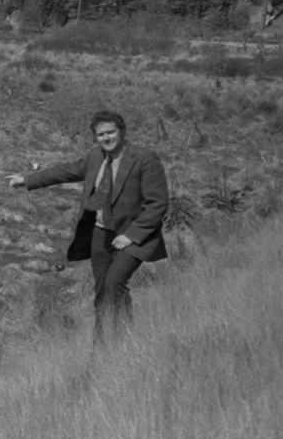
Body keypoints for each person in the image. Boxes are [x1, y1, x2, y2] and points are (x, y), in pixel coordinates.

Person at [9, 110, 169, 343]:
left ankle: (124, 341)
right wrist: (27, 179)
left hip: (133, 235)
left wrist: (132, 236)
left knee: (115, 283)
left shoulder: (144, 158)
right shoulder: (95, 157)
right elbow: (64, 171)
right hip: (101, 234)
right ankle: (102, 345)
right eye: (101, 134)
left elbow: (158, 204)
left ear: (122, 131)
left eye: (111, 132)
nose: (106, 138)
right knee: (102, 292)